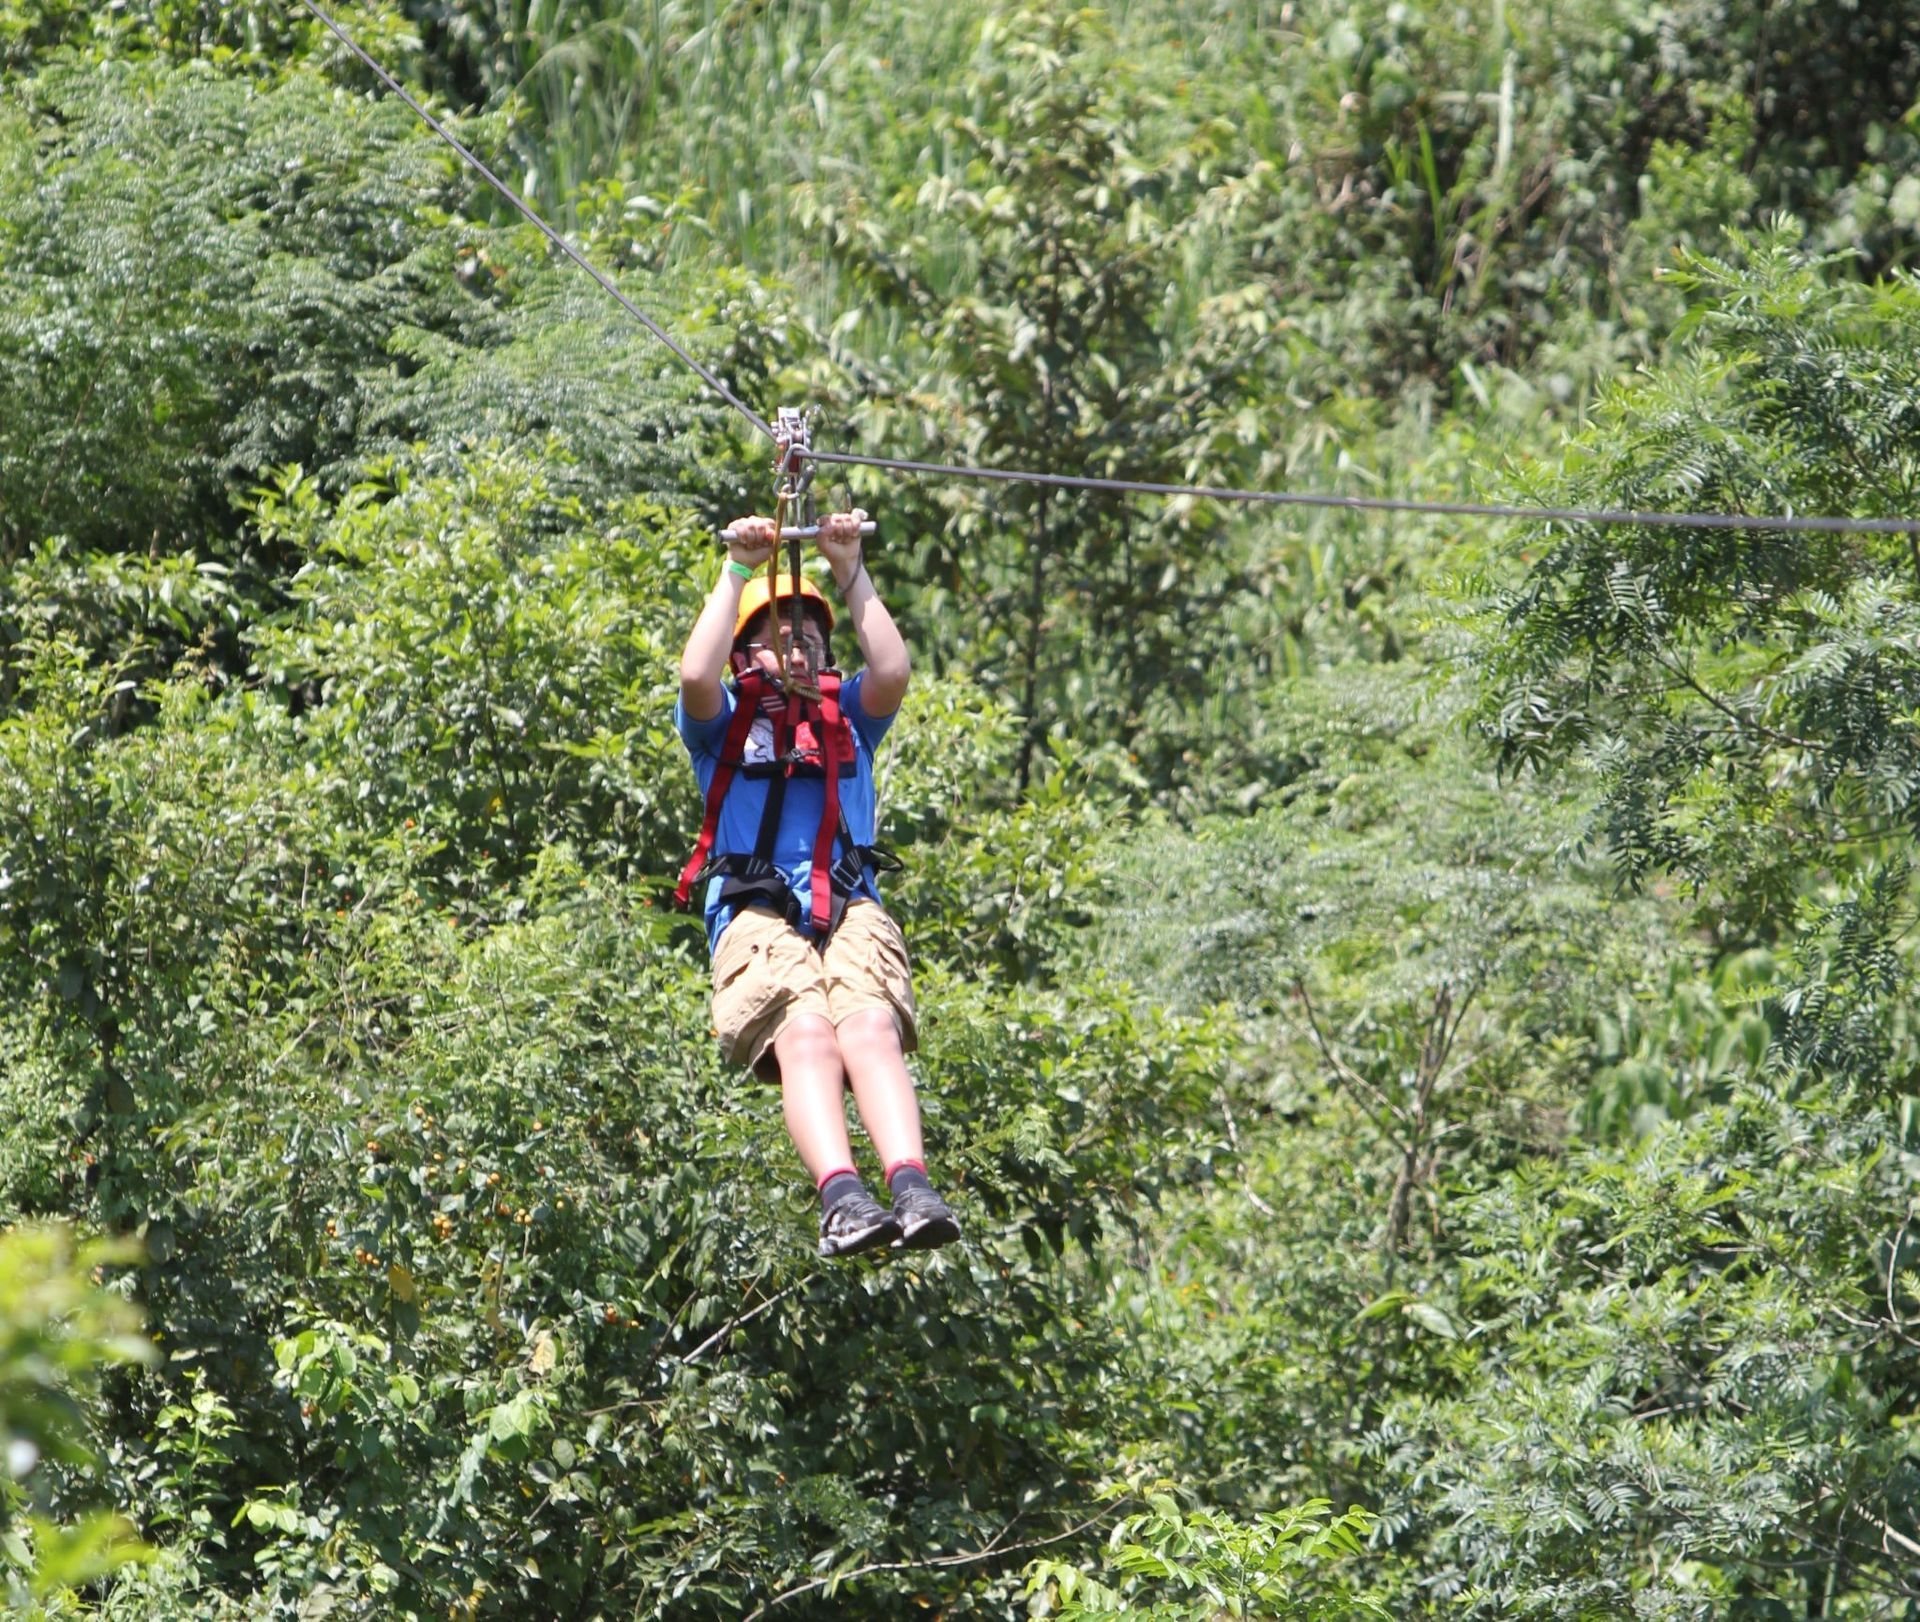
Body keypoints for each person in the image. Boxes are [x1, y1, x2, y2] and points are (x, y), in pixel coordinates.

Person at [675, 509, 961, 1258]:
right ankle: (841, 1195)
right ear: (748, 652)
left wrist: (848, 566)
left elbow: (893, 669)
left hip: (850, 905)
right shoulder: (724, 722)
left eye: (809, 634)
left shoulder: (850, 718)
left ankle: (911, 1184)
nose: (796, 644)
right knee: (805, 1035)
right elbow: (694, 675)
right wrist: (737, 568)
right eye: (776, 634)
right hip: (756, 916)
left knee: (868, 1026)